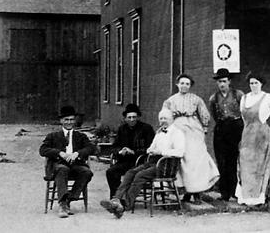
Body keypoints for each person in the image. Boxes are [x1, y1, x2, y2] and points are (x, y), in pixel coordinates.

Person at [100, 108, 185, 217]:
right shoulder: (160, 132)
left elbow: (180, 152)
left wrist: (161, 151)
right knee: (130, 173)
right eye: (161, 118)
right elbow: (150, 148)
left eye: (166, 118)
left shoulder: (177, 133)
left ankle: (125, 205)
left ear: (172, 119)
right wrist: (151, 150)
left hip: (166, 165)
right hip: (153, 161)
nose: (163, 120)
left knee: (140, 175)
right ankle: (116, 200)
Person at [162, 73, 219, 203]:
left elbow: (204, 114)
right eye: (182, 83)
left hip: (193, 129)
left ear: (190, 86)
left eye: (187, 84)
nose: (184, 86)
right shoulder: (170, 100)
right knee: (182, 160)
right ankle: (186, 191)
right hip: (178, 128)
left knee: (196, 159)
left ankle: (197, 191)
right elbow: (164, 115)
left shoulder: (196, 99)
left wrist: (204, 128)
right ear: (177, 84)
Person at [39, 105, 97, 218]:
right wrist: (59, 153)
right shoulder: (53, 136)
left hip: (75, 165)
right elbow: (43, 150)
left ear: (74, 121)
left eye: (71, 119)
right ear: (61, 121)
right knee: (62, 169)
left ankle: (69, 199)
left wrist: (77, 153)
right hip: (58, 165)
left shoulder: (80, 136)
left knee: (87, 172)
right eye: (66, 119)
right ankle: (62, 204)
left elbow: (91, 148)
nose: (69, 122)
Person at [236, 71, 270, 206]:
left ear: (261, 84)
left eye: (256, 83)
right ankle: (245, 197)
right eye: (251, 83)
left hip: (262, 136)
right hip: (247, 136)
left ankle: (258, 197)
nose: (253, 85)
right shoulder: (244, 98)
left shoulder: (268, 98)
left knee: (260, 166)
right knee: (245, 165)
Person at [105, 103, 156, 198]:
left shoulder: (146, 128)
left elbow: (151, 148)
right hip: (125, 161)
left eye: (134, 117)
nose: (132, 120)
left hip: (140, 162)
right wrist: (120, 151)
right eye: (129, 117)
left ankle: (121, 197)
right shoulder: (122, 129)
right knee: (111, 172)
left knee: (131, 174)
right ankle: (115, 197)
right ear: (125, 118)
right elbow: (115, 146)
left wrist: (134, 152)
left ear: (138, 117)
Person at [209, 68, 244, 201]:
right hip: (221, 129)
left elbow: (244, 111)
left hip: (236, 128)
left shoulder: (238, 94)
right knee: (221, 161)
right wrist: (221, 125)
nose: (222, 84)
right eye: (219, 82)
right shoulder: (214, 98)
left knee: (233, 160)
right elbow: (214, 114)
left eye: (224, 81)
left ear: (229, 81)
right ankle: (224, 193)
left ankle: (234, 191)